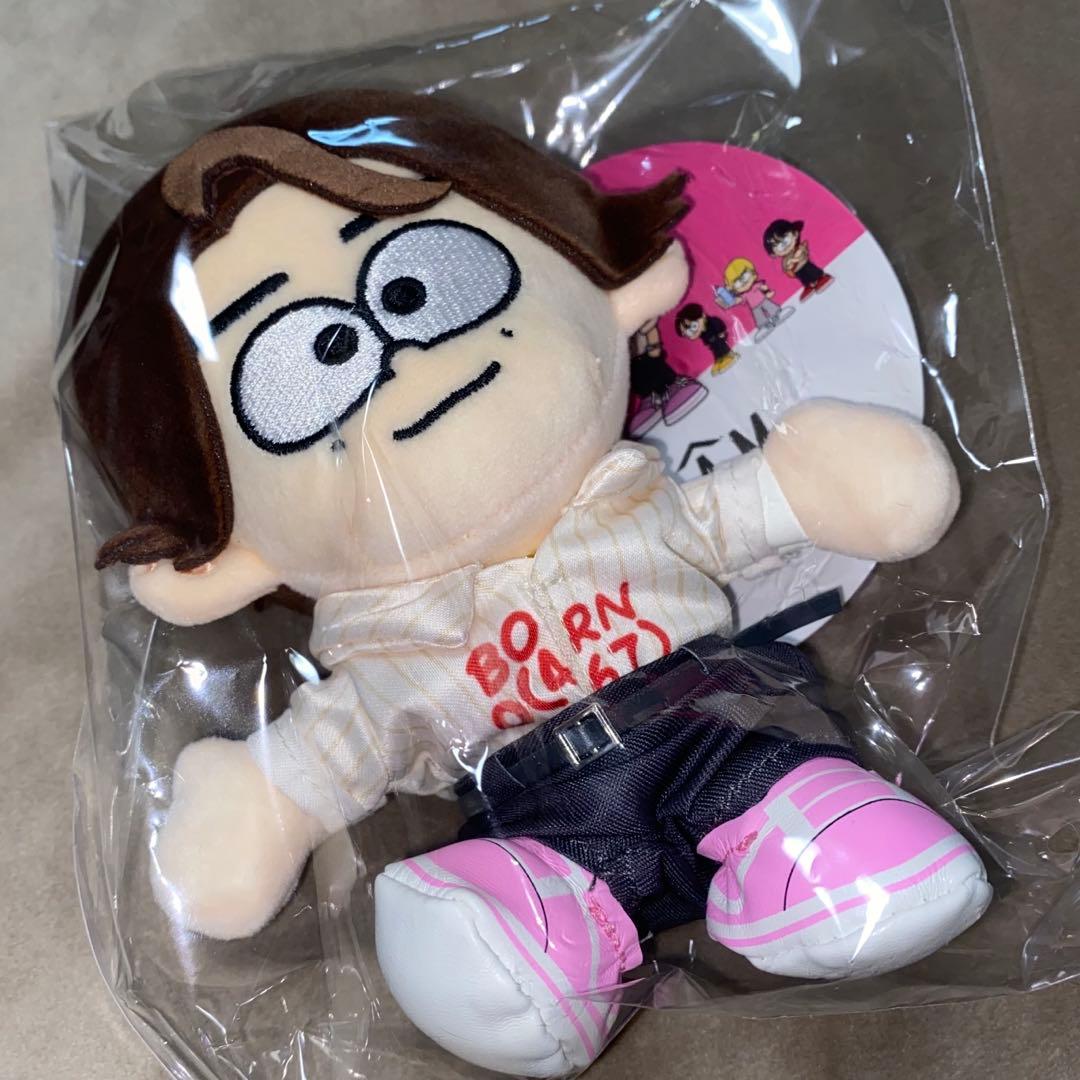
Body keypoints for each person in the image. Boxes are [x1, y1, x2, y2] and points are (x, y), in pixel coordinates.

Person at [626, 316, 708, 436]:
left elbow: (650, 328)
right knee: (637, 377)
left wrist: (648, 339)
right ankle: (650, 401)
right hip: (628, 363)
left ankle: (673, 388)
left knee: (654, 366)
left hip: (648, 357)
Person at [716, 256, 794, 343]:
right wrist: (731, 301)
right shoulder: (744, 295)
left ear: (753, 274)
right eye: (737, 282)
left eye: (745, 276)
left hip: (763, 300)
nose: (743, 282)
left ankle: (776, 316)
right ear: (733, 288)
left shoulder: (756, 285)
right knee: (759, 317)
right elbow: (740, 299)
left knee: (771, 307)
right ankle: (766, 325)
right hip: (755, 308)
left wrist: (768, 291)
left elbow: (763, 287)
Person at [763, 217, 834, 301]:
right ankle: (808, 286)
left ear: (795, 234)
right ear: (774, 254)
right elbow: (787, 268)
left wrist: (794, 258)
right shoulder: (785, 260)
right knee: (803, 278)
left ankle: (821, 278)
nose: (784, 246)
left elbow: (801, 253)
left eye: (786, 240)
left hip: (805, 265)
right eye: (779, 246)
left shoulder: (799, 247)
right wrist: (789, 267)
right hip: (797, 271)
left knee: (812, 271)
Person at [675, 301, 738, 374]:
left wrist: (722, 332)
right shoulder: (702, 333)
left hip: (718, 340)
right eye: (686, 333)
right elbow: (701, 337)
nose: (690, 332)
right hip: (712, 344)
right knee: (716, 352)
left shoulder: (712, 322)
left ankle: (729, 357)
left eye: (692, 326)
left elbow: (720, 325)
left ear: (702, 315)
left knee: (722, 348)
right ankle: (720, 361)